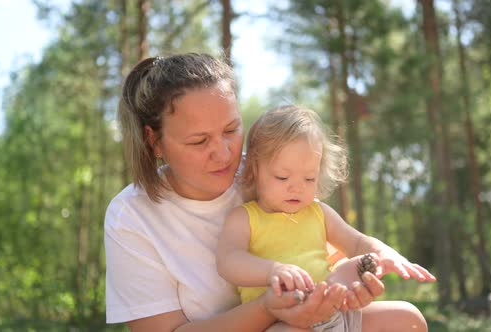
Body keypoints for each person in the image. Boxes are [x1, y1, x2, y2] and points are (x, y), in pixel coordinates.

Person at [104, 53, 386, 332]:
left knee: (406, 320)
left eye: (231, 129)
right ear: (154, 142)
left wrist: (350, 286)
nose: (225, 154)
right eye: (199, 141)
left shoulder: (268, 174)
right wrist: (267, 308)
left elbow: (324, 256)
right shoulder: (131, 216)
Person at [216, 105, 436, 331]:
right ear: (254, 169)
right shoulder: (246, 217)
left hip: (335, 314)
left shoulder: (318, 213)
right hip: (282, 322)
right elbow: (228, 260)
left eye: (309, 178)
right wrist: (273, 270)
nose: (297, 188)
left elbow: (357, 242)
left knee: (408, 318)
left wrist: (383, 254)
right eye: (282, 177)